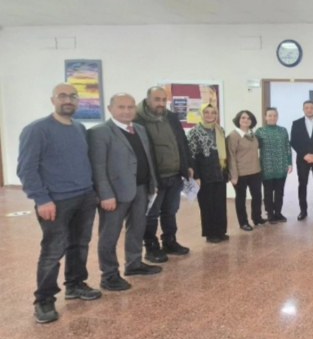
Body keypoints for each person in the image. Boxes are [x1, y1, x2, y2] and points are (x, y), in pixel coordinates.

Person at [17, 84, 102, 324]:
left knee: (80, 245)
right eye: (62, 96)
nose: (68, 100)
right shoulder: (37, 130)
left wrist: (93, 192)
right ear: (53, 100)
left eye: (73, 96)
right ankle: (44, 300)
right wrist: (41, 199)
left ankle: (75, 284)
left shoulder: (79, 128)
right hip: (56, 201)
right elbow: (26, 169)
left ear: (78, 101)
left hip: (84, 197)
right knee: (53, 251)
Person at [88, 93, 161, 291]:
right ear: (110, 109)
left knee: (137, 228)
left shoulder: (139, 129)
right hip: (115, 193)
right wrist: (105, 195)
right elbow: (98, 167)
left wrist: (152, 182)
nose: (127, 111)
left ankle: (134, 264)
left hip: (141, 188)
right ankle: (109, 275)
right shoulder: (99, 132)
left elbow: (147, 158)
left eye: (130, 107)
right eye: (121, 107)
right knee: (109, 235)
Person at [134, 85, 194, 263]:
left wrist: (188, 164)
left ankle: (169, 241)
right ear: (148, 100)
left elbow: (182, 142)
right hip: (154, 177)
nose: (161, 103)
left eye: (163, 100)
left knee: (170, 211)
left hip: (175, 175)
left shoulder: (171, 117)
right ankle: (151, 247)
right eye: (157, 99)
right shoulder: (137, 119)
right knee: (151, 214)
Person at [187, 104, 229, 243]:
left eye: (213, 112)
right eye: (206, 112)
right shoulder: (194, 132)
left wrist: (226, 171)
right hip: (204, 174)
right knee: (207, 205)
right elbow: (191, 156)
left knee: (220, 203)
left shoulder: (220, 130)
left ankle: (220, 231)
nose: (210, 115)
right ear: (202, 114)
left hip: (219, 172)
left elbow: (224, 153)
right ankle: (210, 234)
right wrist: (196, 176)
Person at [227, 109, 265, 231]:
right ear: (238, 120)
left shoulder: (253, 135)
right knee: (241, 199)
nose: (246, 120)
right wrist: (233, 175)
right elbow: (231, 156)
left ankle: (257, 218)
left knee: (257, 196)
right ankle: (243, 222)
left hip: (255, 171)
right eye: (243, 118)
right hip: (240, 173)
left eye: (249, 118)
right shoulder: (233, 136)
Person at [256, 107, 292, 224]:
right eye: (270, 115)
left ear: (277, 117)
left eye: (274, 115)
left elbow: (287, 147)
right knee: (268, 192)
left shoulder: (283, 130)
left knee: (279, 192)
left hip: (281, 166)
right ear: (265, 117)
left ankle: (278, 213)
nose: (272, 118)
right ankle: (270, 214)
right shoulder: (260, 131)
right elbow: (254, 148)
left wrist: (289, 162)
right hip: (266, 166)